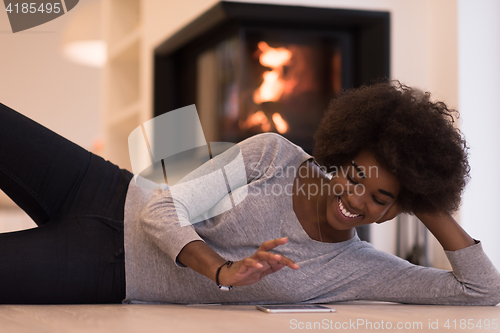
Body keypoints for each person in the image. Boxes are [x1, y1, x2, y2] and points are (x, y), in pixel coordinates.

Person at [1, 82, 499, 305]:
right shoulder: (275, 156)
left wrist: (428, 203)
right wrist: (222, 271)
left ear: (397, 210)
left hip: (110, 269)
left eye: (381, 199)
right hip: (108, 189)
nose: (357, 199)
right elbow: (162, 208)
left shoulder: (359, 270)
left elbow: (482, 292)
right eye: (356, 176)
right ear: (343, 156)